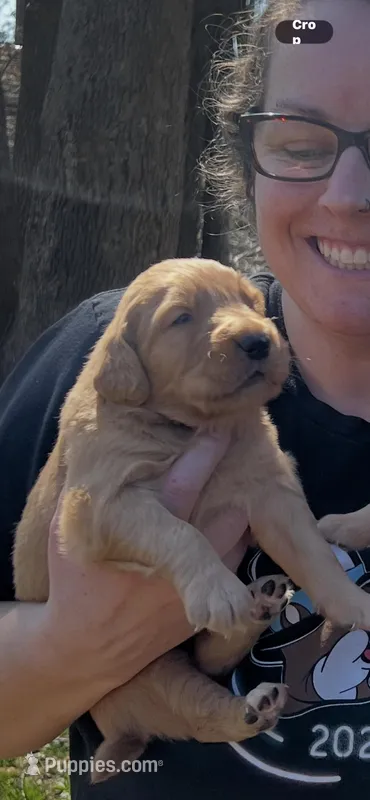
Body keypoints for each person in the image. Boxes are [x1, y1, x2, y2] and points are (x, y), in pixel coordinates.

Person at [1, 0, 370, 796]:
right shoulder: (93, 362)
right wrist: (68, 649)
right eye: (302, 144)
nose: (350, 195)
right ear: (246, 163)